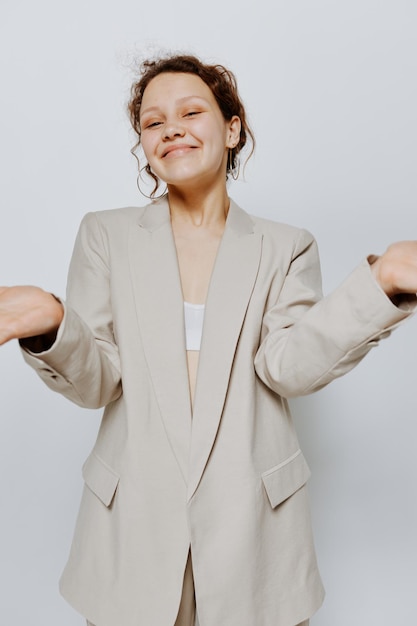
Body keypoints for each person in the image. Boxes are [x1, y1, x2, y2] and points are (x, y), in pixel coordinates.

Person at [0, 54, 416, 626]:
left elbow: (288, 367)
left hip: (254, 535)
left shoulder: (287, 246)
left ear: (232, 128)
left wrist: (382, 283)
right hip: (132, 531)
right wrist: (49, 320)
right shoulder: (105, 235)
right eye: (152, 121)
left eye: (191, 111)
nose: (170, 127)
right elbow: (98, 383)